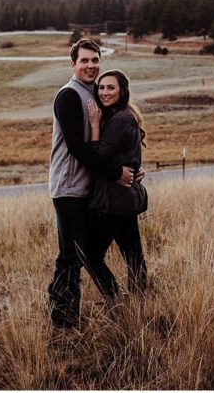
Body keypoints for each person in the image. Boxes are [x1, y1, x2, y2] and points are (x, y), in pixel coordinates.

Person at [47, 38, 138, 328]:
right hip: (69, 189)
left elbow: (109, 143)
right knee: (71, 256)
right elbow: (77, 147)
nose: (91, 65)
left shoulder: (94, 93)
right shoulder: (69, 96)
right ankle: (63, 322)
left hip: (90, 189)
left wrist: (131, 169)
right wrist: (115, 174)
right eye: (84, 60)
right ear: (72, 64)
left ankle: (119, 304)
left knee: (87, 253)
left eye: (95, 60)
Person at [83, 69, 149, 298]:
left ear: (122, 91)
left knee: (89, 255)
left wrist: (93, 125)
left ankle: (117, 298)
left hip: (113, 200)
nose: (104, 92)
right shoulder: (123, 115)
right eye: (101, 87)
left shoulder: (120, 118)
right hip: (125, 198)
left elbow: (98, 155)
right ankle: (139, 305)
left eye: (111, 87)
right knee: (134, 257)